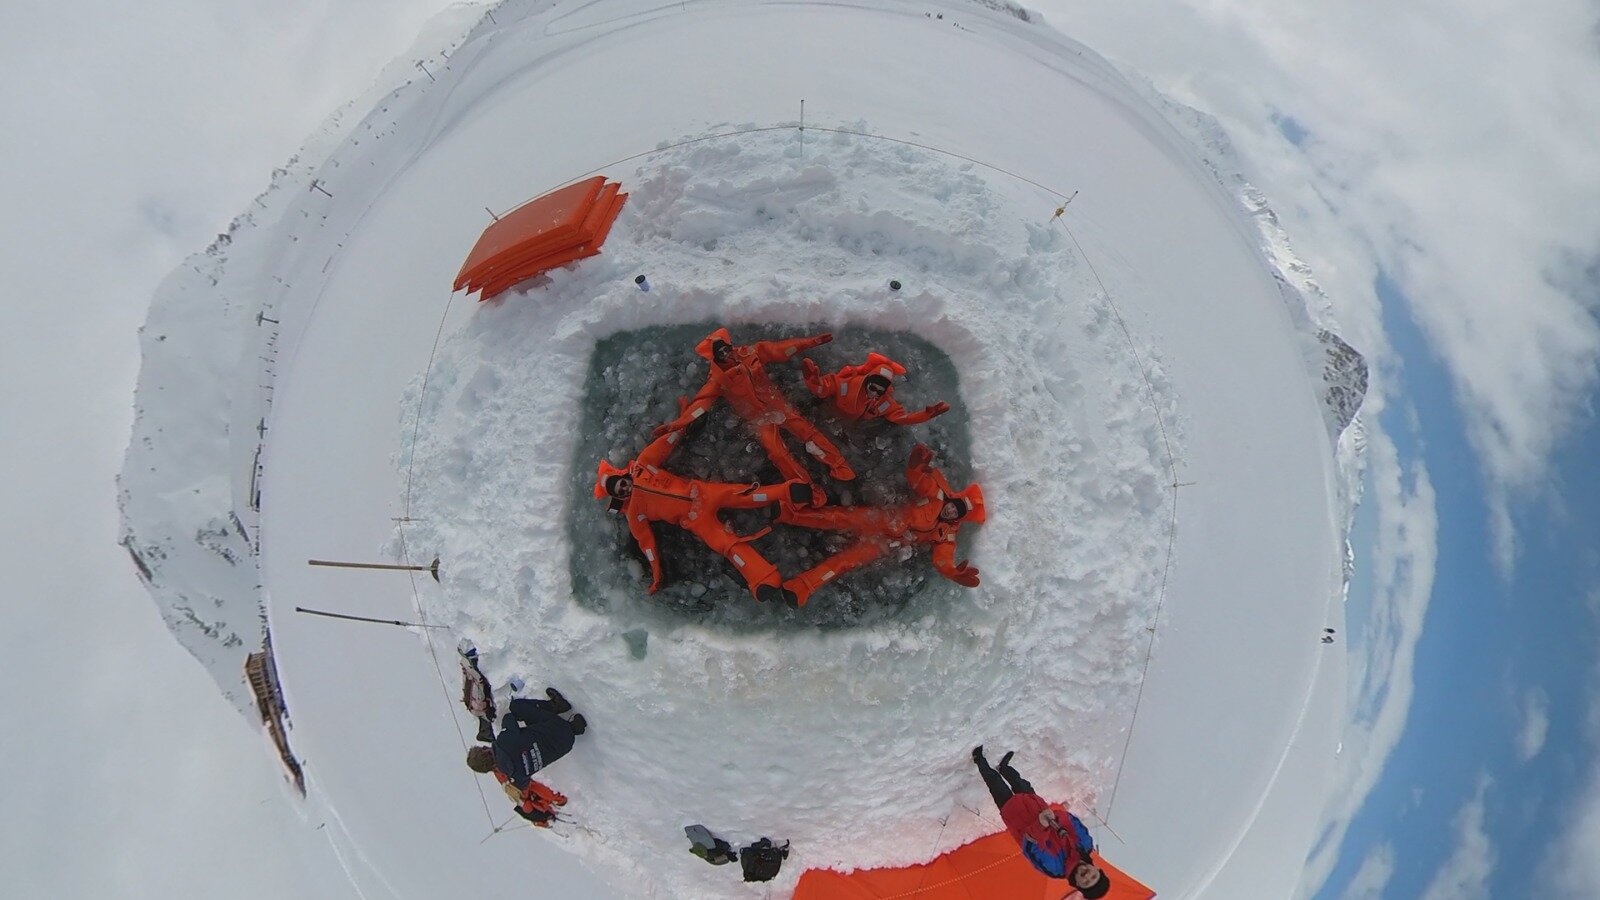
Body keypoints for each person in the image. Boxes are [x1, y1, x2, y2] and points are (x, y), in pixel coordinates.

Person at [596, 427, 811, 604]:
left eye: (621, 483)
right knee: (725, 544)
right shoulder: (635, 512)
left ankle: (786, 492)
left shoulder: (643, 465)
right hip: (694, 519)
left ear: (622, 476)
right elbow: (647, 544)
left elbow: (666, 443)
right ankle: (761, 577)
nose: (624, 488)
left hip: (700, 492)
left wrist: (684, 421)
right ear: (619, 497)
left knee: (741, 494)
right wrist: (656, 574)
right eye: (620, 491)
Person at [654, 328, 854, 497]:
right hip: (758, 419)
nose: (726, 354)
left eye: (726, 349)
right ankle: (807, 490)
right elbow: (701, 403)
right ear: (715, 357)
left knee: (807, 431)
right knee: (778, 454)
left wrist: (809, 342)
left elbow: (779, 350)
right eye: (721, 353)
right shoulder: (717, 380)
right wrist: (678, 423)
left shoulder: (750, 353)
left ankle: (840, 466)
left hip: (777, 405)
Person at [776, 444, 984, 606]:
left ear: (957, 518)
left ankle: (802, 587)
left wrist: (952, 573)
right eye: (953, 506)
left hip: (886, 544)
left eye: (956, 513)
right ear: (952, 500)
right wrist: (915, 466)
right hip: (881, 519)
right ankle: (789, 514)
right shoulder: (935, 496)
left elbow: (942, 559)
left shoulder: (946, 535)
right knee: (836, 517)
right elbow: (918, 481)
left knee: (844, 562)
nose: (951, 511)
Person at [972, 746, 1110, 897]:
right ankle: (1004, 768)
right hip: (1038, 808)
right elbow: (1072, 822)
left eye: (1086, 882)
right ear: (1097, 870)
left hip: (1019, 820)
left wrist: (1042, 825)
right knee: (1021, 784)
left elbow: (1032, 847)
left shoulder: (1055, 868)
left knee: (996, 785)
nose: (1087, 875)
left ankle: (979, 759)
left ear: (1078, 885)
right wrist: (1056, 818)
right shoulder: (1085, 845)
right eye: (1093, 876)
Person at [466, 691, 587, 827]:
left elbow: (523, 788)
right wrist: (507, 732)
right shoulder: (504, 742)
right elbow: (509, 718)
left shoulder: (515, 777)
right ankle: (556, 706)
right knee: (516, 707)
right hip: (557, 726)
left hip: (566, 744)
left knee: (530, 741)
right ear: (484, 749)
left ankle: (574, 728)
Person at [800, 352, 951, 425]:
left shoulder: (883, 402)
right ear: (867, 381)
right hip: (823, 415)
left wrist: (925, 415)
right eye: (872, 387)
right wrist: (812, 380)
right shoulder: (845, 384)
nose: (874, 393)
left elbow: (899, 418)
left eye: (880, 391)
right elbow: (823, 389)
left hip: (849, 425)